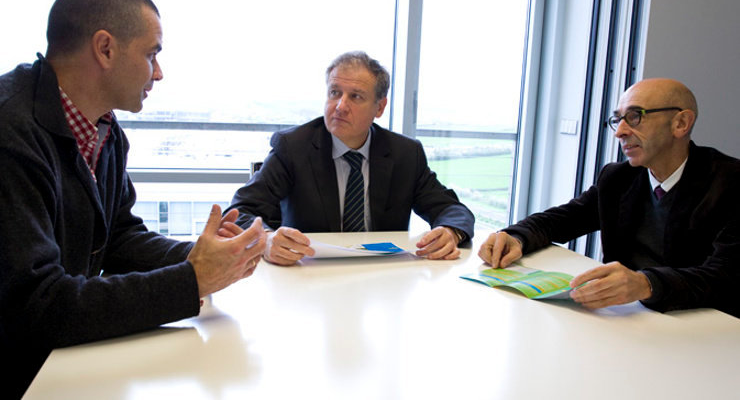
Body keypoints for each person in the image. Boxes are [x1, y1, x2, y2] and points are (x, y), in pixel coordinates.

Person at [0, 0, 266, 397]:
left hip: (63, 363)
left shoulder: (103, 128)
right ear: (105, 49)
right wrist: (191, 281)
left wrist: (205, 259)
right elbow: (36, 306)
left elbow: (118, 238)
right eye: (151, 53)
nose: (158, 72)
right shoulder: (11, 133)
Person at [479, 78, 739, 317]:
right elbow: (563, 219)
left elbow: (725, 277)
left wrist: (646, 283)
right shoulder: (619, 178)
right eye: (618, 120)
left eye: (635, 116)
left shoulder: (731, 182)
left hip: (704, 327)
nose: (620, 132)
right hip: (628, 318)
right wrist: (516, 236)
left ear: (680, 123)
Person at [228, 51, 474, 265]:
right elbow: (240, 210)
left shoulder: (405, 154)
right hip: (308, 275)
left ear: (379, 107)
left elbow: (450, 208)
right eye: (335, 92)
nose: (340, 106)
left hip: (384, 276)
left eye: (355, 97)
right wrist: (267, 239)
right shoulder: (294, 147)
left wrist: (451, 232)